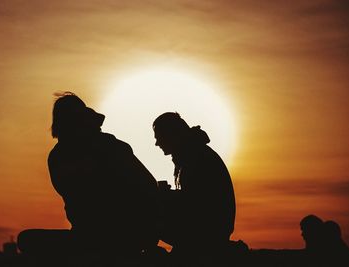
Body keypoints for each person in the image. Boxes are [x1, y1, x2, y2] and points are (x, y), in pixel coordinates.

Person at [18, 92, 159, 259]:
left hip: (120, 235)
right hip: (92, 236)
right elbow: (149, 185)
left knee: (28, 240)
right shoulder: (68, 154)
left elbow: (148, 186)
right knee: (27, 239)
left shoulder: (106, 148)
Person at [153, 112, 236, 261]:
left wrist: (164, 196)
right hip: (211, 230)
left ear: (171, 134)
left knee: (148, 210)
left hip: (207, 233)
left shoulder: (195, 157)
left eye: (159, 137)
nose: (157, 143)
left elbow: (194, 204)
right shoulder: (193, 153)